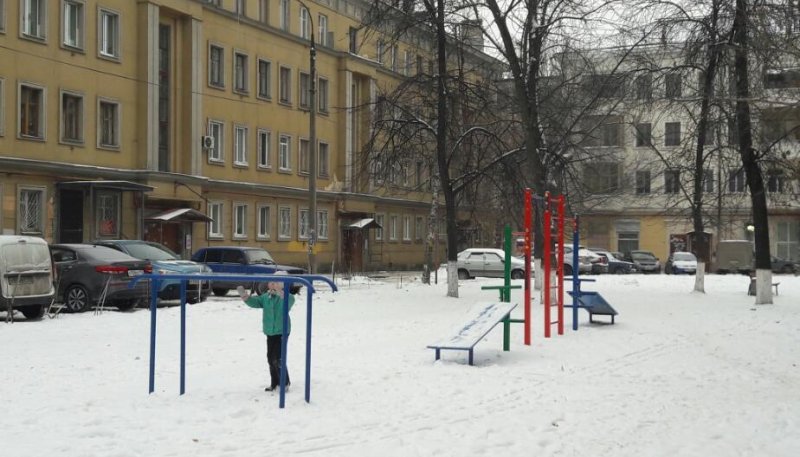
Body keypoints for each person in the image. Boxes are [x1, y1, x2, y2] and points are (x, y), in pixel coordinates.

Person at [238, 271, 295, 392]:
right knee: (270, 357)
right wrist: (246, 298)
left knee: (278, 358)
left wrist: (281, 292)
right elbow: (256, 302)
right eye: (271, 282)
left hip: (282, 331)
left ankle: (284, 383)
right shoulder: (266, 297)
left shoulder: (287, 297)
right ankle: (274, 383)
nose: (272, 285)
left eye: (276, 283)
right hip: (270, 331)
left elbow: (289, 302)